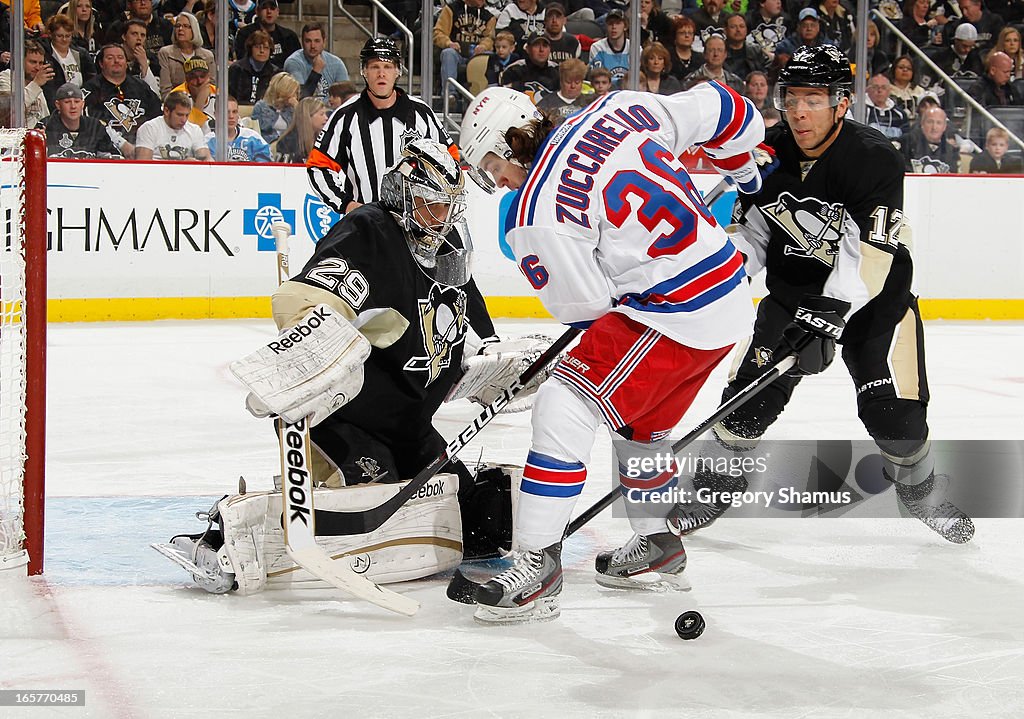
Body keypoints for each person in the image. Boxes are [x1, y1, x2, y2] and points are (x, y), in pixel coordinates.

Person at [458, 82, 768, 622]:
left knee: (566, 400)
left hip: (675, 308)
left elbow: (587, 307)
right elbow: (727, 107)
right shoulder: (618, 107)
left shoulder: (537, 207)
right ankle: (658, 544)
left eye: (491, 165)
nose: (498, 180)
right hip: (728, 294)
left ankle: (537, 565)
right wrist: (740, 163)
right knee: (640, 422)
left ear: (507, 145)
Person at [166, 139, 518, 595]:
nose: (443, 217)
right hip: (347, 418)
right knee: (360, 508)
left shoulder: (447, 244)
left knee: (474, 520)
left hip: (408, 424)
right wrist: (310, 349)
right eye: (433, 205)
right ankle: (221, 538)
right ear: (403, 195)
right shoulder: (371, 230)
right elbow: (310, 298)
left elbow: (473, 322)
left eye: (450, 207)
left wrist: (496, 361)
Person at [690, 45, 973, 547]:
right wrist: (720, 275)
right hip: (792, 298)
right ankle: (714, 486)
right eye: (792, 97)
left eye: (815, 98)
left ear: (842, 102)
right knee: (743, 407)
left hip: (874, 304)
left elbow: (874, 252)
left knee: (896, 421)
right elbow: (753, 233)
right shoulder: (766, 154)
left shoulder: (873, 158)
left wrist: (830, 316)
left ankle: (919, 490)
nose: (799, 112)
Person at [307, 37, 498, 343]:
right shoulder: (345, 117)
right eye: (374, 67)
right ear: (364, 72)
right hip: (372, 223)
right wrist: (345, 204)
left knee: (457, 272)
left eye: (387, 67)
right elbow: (318, 166)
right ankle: (326, 345)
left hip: (424, 221)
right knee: (341, 279)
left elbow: (449, 158)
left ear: (398, 72)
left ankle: (488, 340)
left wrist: (442, 204)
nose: (381, 73)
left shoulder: (421, 113)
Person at [82, 43, 162, 156]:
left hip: (145, 147)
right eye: (110, 58)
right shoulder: (91, 89)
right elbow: (90, 123)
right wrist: (121, 144)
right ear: (101, 63)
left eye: (120, 57)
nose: (116, 61)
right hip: (107, 151)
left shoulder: (141, 87)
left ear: (126, 63)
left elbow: (157, 116)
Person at [433, 0, 496, 106]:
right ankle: (450, 96)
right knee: (448, 53)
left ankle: (481, 100)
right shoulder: (451, 9)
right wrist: (449, 43)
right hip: (456, 54)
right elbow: (438, 32)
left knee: (486, 57)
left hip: (476, 56)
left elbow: (490, 38)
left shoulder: (489, 17)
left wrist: (484, 45)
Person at [134, 90, 212, 160]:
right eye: (179, 115)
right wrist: (183, 164)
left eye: (187, 115)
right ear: (166, 111)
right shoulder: (149, 128)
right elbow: (143, 164)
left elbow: (206, 159)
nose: (184, 120)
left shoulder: (194, 130)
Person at [41, 14, 97, 108]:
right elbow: (49, 88)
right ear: (51, 34)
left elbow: (92, 80)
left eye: (68, 36)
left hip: (81, 101)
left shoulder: (81, 54)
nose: (64, 39)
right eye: (59, 36)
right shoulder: (45, 55)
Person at [283, 22, 349, 102]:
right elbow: (300, 99)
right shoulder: (293, 63)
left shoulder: (336, 63)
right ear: (302, 42)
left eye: (317, 41)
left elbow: (347, 96)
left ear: (324, 42)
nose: (313, 46)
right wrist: (316, 72)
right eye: (308, 41)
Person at [158, 11, 215, 98]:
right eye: (177, 26)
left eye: (185, 26)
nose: (180, 29)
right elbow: (166, 90)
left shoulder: (207, 56)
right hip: (177, 103)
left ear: (194, 30)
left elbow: (213, 86)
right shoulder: (166, 53)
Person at [233, 0, 299, 69]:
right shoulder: (245, 34)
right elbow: (243, 63)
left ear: (278, 12)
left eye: (272, 8)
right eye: (264, 8)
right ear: (257, 11)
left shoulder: (289, 37)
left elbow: (296, 64)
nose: (269, 12)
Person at [0, 41, 52, 129]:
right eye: (33, 62)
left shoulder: (36, 82)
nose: (38, 67)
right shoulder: (6, 77)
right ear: (19, 61)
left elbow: (45, 118)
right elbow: (9, 108)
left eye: (40, 63)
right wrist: (35, 84)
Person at [206, 95, 271, 161]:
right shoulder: (208, 142)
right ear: (216, 115)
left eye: (234, 112)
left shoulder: (253, 137)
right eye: (226, 112)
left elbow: (266, 164)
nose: (231, 116)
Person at [501, 31, 559, 102]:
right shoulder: (514, 70)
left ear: (550, 49)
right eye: (536, 45)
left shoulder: (558, 70)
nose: (541, 50)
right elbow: (505, 100)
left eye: (545, 45)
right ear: (527, 49)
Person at [228, 29, 279, 105]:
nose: (262, 51)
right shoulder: (236, 69)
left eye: (266, 48)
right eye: (257, 47)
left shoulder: (275, 73)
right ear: (250, 48)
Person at [681, 34, 746, 93]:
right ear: (704, 54)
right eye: (711, 50)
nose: (716, 54)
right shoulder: (690, 81)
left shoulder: (736, 82)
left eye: (720, 50)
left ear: (725, 54)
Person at [170, 57, 217, 133]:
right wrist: (200, 101)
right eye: (193, 77)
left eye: (202, 76)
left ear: (208, 76)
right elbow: (185, 132)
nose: (199, 81)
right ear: (186, 79)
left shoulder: (218, 92)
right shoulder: (177, 96)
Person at [275, 96, 327, 163]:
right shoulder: (288, 141)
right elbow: (284, 171)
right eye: (322, 114)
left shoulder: (323, 138)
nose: (326, 118)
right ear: (308, 116)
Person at [251, 70, 297, 142]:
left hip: (289, 146)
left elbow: (303, 131)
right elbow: (254, 132)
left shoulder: (292, 109)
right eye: (292, 92)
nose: (294, 97)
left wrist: (297, 107)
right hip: (266, 145)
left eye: (295, 93)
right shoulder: (261, 107)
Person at [588, 9, 630, 87]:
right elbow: (598, 78)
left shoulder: (634, 49)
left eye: (618, 23)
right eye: (610, 24)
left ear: (625, 26)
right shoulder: (597, 48)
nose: (614, 27)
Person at [864, 72, 910, 143]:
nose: (879, 91)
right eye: (875, 87)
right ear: (868, 90)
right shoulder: (861, 110)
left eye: (883, 87)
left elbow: (906, 137)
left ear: (889, 91)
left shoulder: (900, 114)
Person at [121, 18, 161, 95]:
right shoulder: (114, 56)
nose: (139, 38)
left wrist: (144, 64)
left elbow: (155, 94)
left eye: (142, 35)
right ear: (124, 36)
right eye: (134, 34)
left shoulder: (152, 59)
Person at [724, 12, 766, 79]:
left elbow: (763, 74)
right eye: (733, 27)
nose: (738, 30)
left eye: (742, 26)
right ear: (725, 30)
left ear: (746, 30)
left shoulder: (755, 50)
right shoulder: (719, 51)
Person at [889, 54, 929, 121]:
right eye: (901, 67)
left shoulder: (920, 91)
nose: (905, 70)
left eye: (909, 68)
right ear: (894, 70)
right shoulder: (886, 89)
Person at [668, 15, 703, 82]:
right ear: (675, 36)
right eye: (682, 33)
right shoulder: (668, 57)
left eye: (690, 33)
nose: (687, 36)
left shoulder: (700, 58)